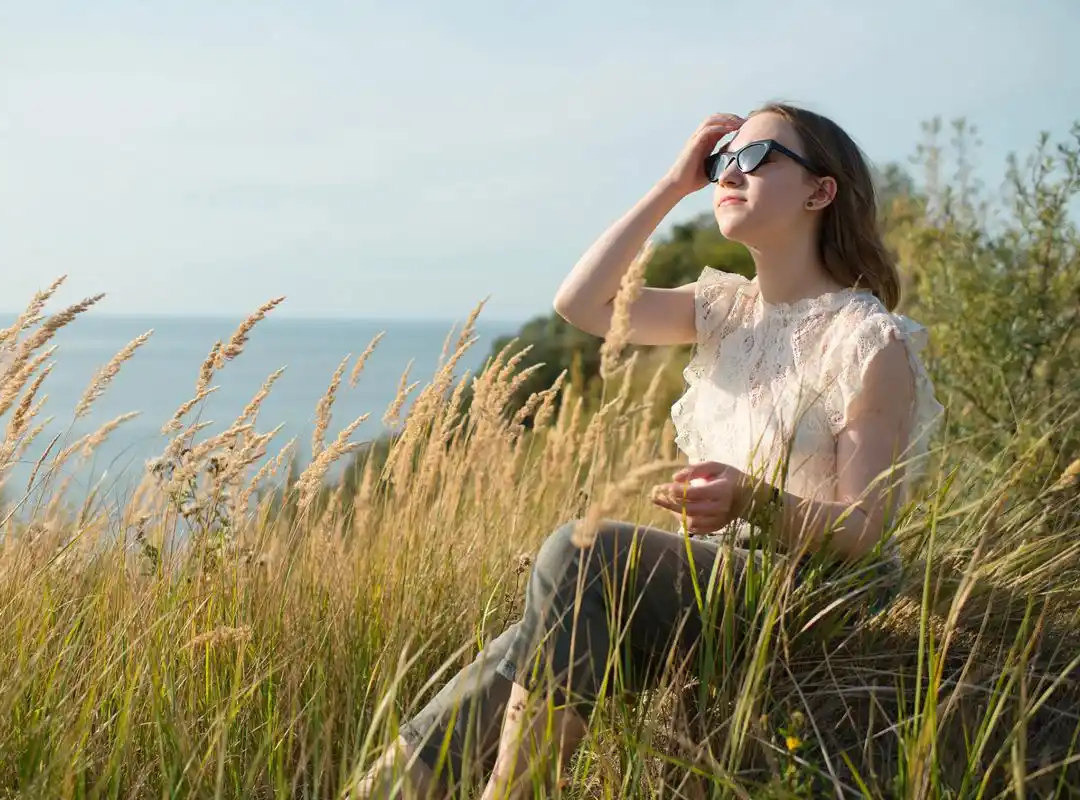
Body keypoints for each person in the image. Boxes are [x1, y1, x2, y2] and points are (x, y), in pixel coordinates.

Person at [347, 102, 944, 799]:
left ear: (820, 191)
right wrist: (671, 185)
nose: (730, 174)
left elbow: (865, 532)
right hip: (716, 576)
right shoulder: (725, 310)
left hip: (804, 589)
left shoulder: (869, 341)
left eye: (757, 157)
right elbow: (582, 304)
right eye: (722, 161)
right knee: (524, 644)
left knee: (580, 551)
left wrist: (752, 497)